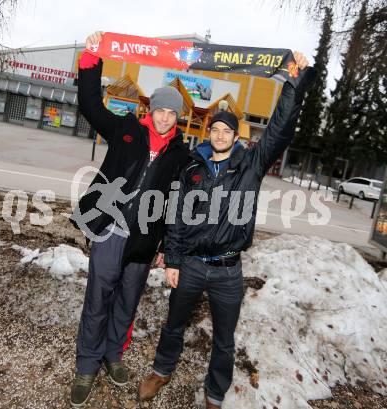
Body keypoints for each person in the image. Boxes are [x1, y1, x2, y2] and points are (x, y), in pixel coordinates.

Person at [139, 52, 314, 408]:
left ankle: (215, 393)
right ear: (209, 133)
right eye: (215, 129)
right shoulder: (193, 167)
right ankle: (161, 370)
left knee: (224, 339)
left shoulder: (251, 165)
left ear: (236, 136)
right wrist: (172, 259)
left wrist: (293, 86)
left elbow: (280, 130)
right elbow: (175, 216)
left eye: (227, 130)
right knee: (173, 324)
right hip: (189, 265)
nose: (220, 134)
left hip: (227, 270)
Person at [69, 31, 190, 407]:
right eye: (160, 109)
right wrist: (91, 57)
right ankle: (87, 366)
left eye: (172, 112)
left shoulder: (180, 156)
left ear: (177, 116)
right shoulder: (126, 130)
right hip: (110, 232)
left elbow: (175, 206)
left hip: (143, 242)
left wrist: (167, 250)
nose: (165, 116)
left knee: (126, 303)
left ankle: (112, 356)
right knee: (98, 300)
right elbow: (90, 104)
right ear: (150, 109)